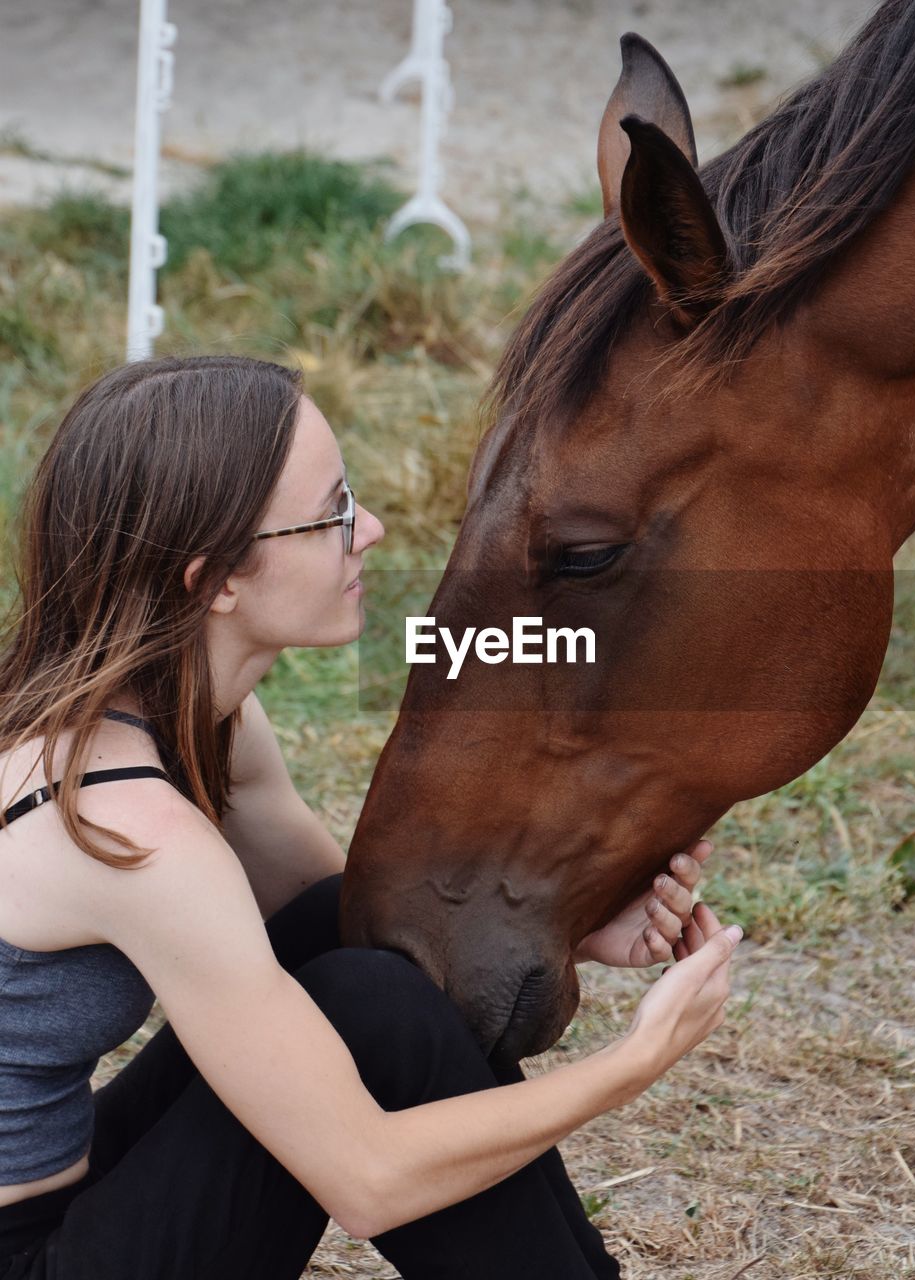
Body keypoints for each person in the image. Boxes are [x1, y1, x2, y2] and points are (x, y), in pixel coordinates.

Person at [0, 355, 743, 1280]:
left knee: (365, 961)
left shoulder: (182, 717)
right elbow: (366, 1179)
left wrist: (574, 924)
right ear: (216, 579)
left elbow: (371, 934)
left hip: (60, 1200)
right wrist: (633, 1063)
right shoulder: (131, 833)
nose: (373, 530)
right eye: (333, 514)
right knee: (371, 1005)